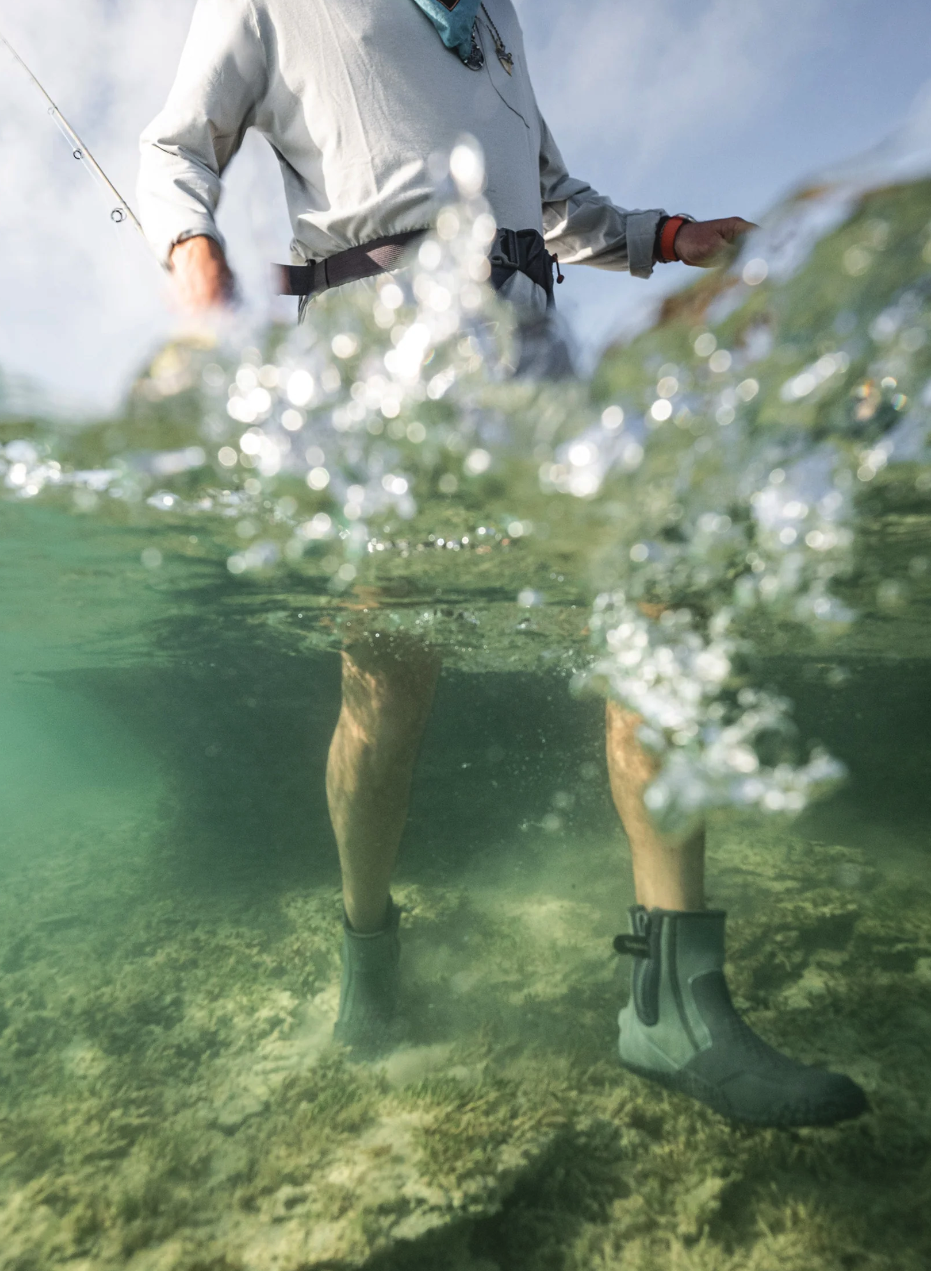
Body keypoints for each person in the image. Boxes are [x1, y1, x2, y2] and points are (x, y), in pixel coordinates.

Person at [139, 0, 867, 1128]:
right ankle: (368, 952)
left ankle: (672, 1007)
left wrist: (668, 235)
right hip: (384, 384)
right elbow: (178, 144)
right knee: (391, 686)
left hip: (545, 385)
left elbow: (550, 199)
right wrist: (193, 262)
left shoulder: (496, 14)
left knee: (657, 607)